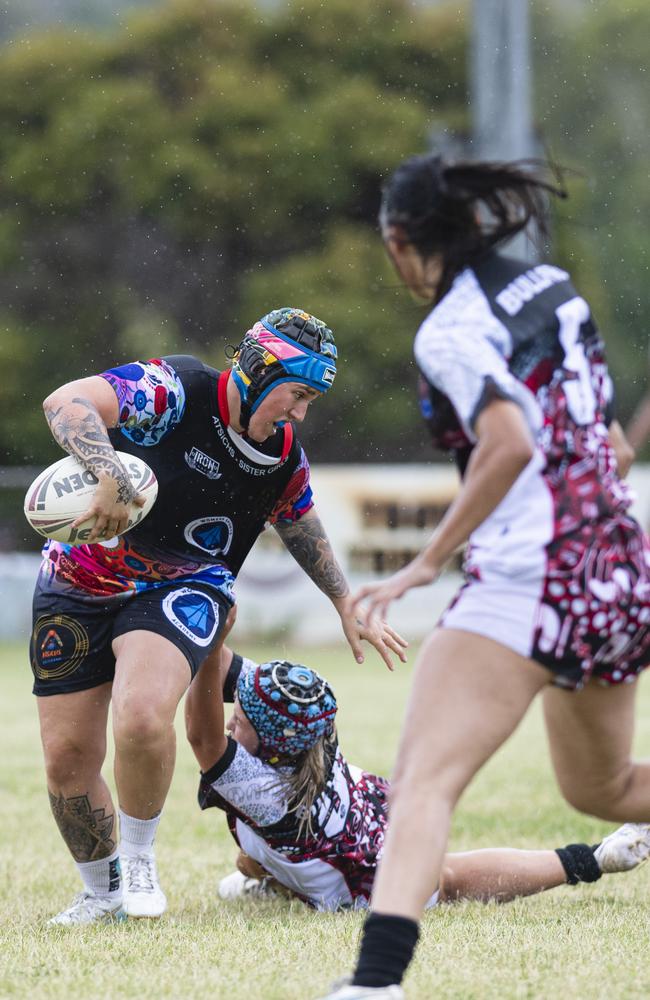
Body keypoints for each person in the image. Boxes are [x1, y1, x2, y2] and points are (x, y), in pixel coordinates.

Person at [315, 156, 650, 999]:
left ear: (400, 242)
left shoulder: (447, 330)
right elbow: (605, 444)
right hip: (619, 568)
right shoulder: (552, 286)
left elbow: (509, 443)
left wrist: (428, 562)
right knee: (601, 787)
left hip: (533, 575)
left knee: (426, 779)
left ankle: (374, 984)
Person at [30, 307, 406, 926]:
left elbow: (299, 521)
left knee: (143, 712)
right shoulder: (175, 391)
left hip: (188, 584)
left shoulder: (281, 453)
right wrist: (107, 473)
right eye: (298, 393)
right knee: (67, 758)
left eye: (311, 400)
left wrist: (344, 601)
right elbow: (66, 401)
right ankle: (102, 893)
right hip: (78, 577)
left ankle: (142, 857)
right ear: (260, 370)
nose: (300, 412)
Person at [186, 641, 650, 913]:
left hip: (360, 861)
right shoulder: (300, 724)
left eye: (240, 719)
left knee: (443, 879)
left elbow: (202, 735)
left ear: (271, 741)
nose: (231, 721)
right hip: (359, 804)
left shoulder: (265, 791)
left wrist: (208, 643)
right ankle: (269, 877)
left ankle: (593, 858)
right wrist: (207, 601)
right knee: (251, 858)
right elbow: (218, 655)